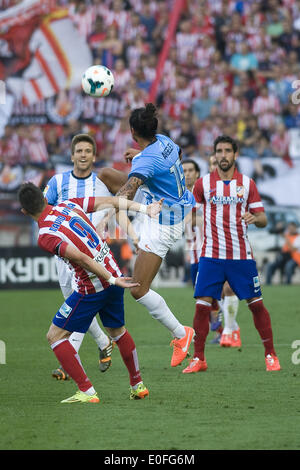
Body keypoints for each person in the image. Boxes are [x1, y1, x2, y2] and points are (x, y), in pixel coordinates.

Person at [18, 182, 162, 403]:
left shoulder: (46, 235)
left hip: (93, 286)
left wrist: (110, 279)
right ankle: (137, 385)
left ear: (24, 212)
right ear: (45, 199)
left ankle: (87, 391)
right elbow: (113, 201)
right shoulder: (68, 204)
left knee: (55, 336)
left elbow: (81, 258)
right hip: (113, 273)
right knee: (118, 332)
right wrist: (145, 209)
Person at [183, 135, 281, 374]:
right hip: (211, 255)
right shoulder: (203, 184)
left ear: (235, 154)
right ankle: (199, 358)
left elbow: (263, 218)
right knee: (202, 306)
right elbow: (189, 214)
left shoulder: (247, 184)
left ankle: (270, 355)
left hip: (241, 256)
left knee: (256, 305)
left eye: (228, 151)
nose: (223, 155)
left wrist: (253, 217)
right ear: (214, 155)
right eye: (219, 151)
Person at [44, 133, 129, 379]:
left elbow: (121, 200)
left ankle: (69, 360)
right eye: (79, 151)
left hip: (94, 256)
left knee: (80, 303)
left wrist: (106, 218)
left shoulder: (101, 183)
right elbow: (44, 208)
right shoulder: (58, 182)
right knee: (75, 304)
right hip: (65, 257)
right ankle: (103, 342)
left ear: (94, 156)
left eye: (87, 151)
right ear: (72, 156)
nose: (83, 155)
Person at [119, 103, 195, 368]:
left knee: (138, 289)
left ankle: (181, 333)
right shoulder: (164, 141)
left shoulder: (144, 161)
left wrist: (103, 203)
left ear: (132, 131)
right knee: (106, 173)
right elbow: (175, 154)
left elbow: (127, 192)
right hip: (176, 208)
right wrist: (141, 156)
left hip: (164, 220)